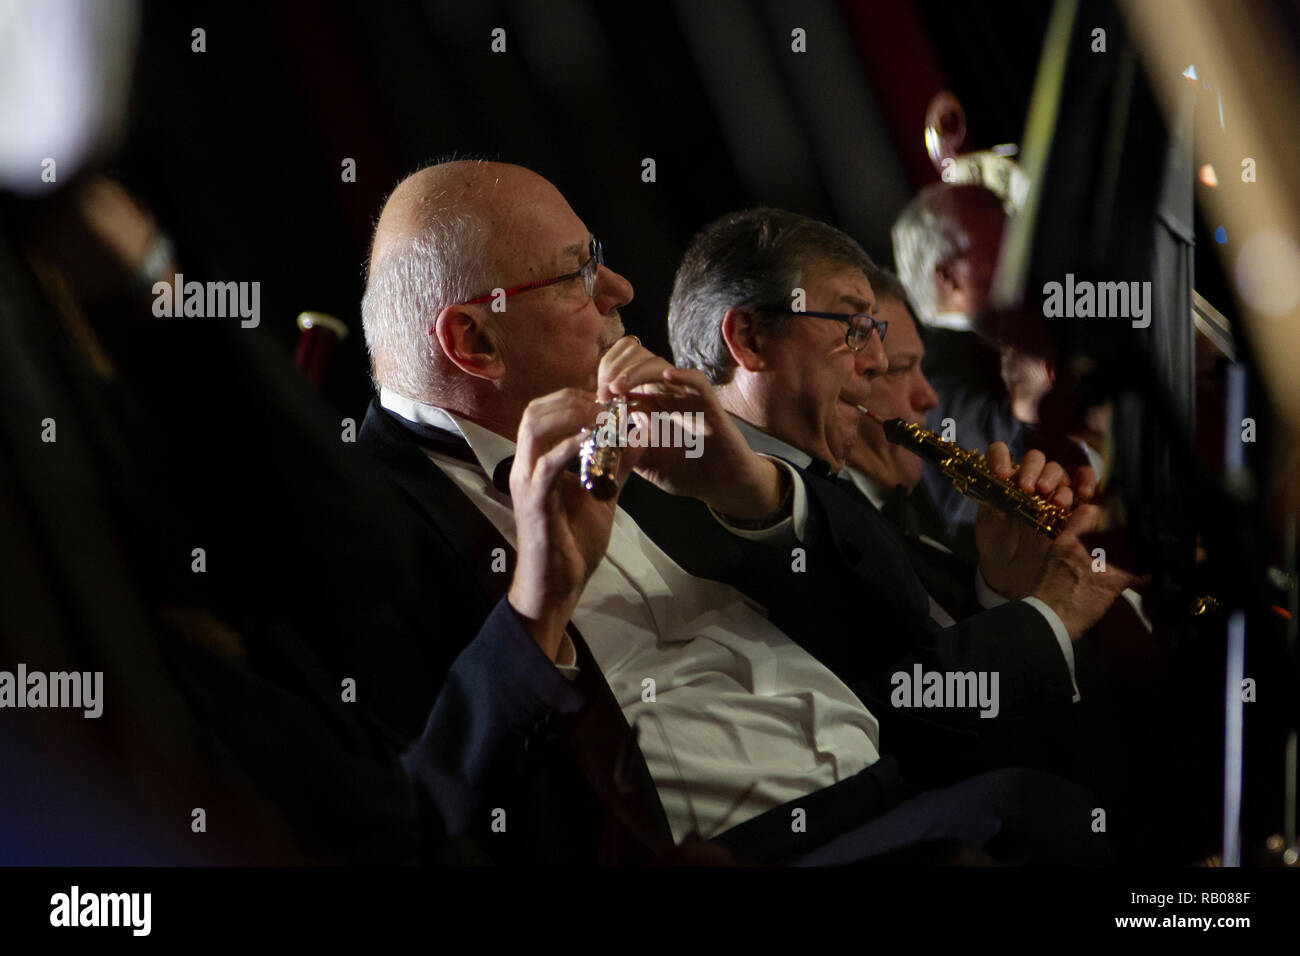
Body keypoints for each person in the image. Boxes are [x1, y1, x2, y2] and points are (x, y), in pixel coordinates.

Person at [357, 160, 1111, 865]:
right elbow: (413, 813)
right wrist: (540, 600)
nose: (619, 288)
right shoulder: (370, 522)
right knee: (1035, 814)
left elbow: (893, 640)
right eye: (577, 274)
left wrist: (753, 492)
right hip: (747, 851)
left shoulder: (658, 424)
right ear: (473, 340)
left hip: (888, 789)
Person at [667, 207, 1137, 778]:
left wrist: (1001, 590)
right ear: (750, 337)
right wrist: (1055, 612)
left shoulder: (832, 491)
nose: (879, 363)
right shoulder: (704, 523)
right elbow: (894, 721)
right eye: (853, 327)